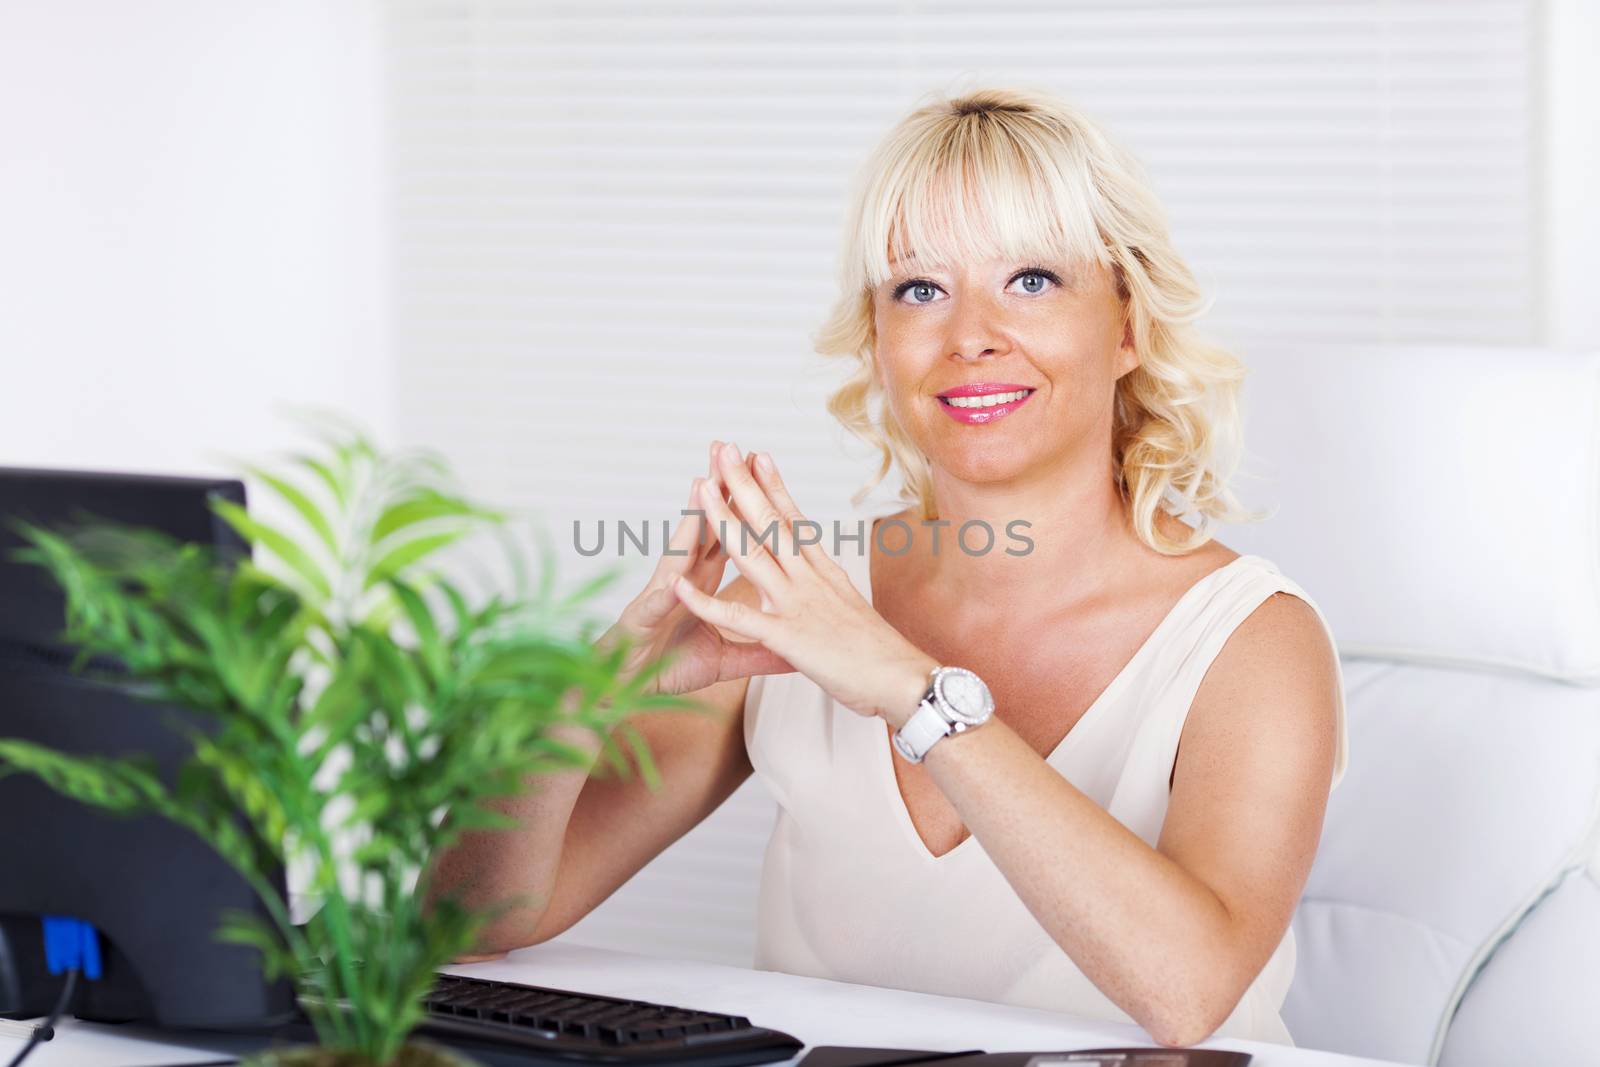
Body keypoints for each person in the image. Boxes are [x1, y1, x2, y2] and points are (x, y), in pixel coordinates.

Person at [424, 85, 1348, 1049]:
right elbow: (469, 919)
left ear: (1127, 328)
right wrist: (593, 690)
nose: (970, 335)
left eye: (1032, 279)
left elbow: (1187, 992)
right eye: (919, 289)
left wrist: (913, 695)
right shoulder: (799, 609)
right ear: (877, 339)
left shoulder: (1252, 638)